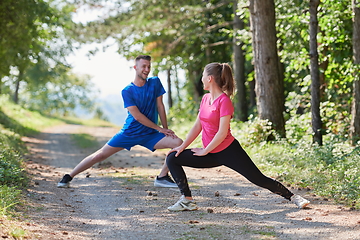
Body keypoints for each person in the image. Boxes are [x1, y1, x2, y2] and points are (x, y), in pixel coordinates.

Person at [166, 62, 310, 211]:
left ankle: (294, 197)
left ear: (209, 78)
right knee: (172, 158)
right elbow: (197, 126)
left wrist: (205, 150)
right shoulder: (205, 99)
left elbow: (222, 133)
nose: (201, 79)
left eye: (203, 75)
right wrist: (182, 147)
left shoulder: (224, 101)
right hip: (209, 152)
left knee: (259, 179)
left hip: (228, 151)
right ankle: (187, 200)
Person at [57, 55, 183, 188]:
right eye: (143, 66)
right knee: (99, 155)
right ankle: (69, 176)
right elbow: (138, 116)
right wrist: (160, 129)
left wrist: (165, 129)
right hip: (130, 133)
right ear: (135, 68)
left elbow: (160, 106)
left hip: (151, 134)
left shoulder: (155, 82)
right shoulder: (127, 91)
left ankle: (162, 177)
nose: (147, 69)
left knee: (178, 143)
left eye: (149, 66)